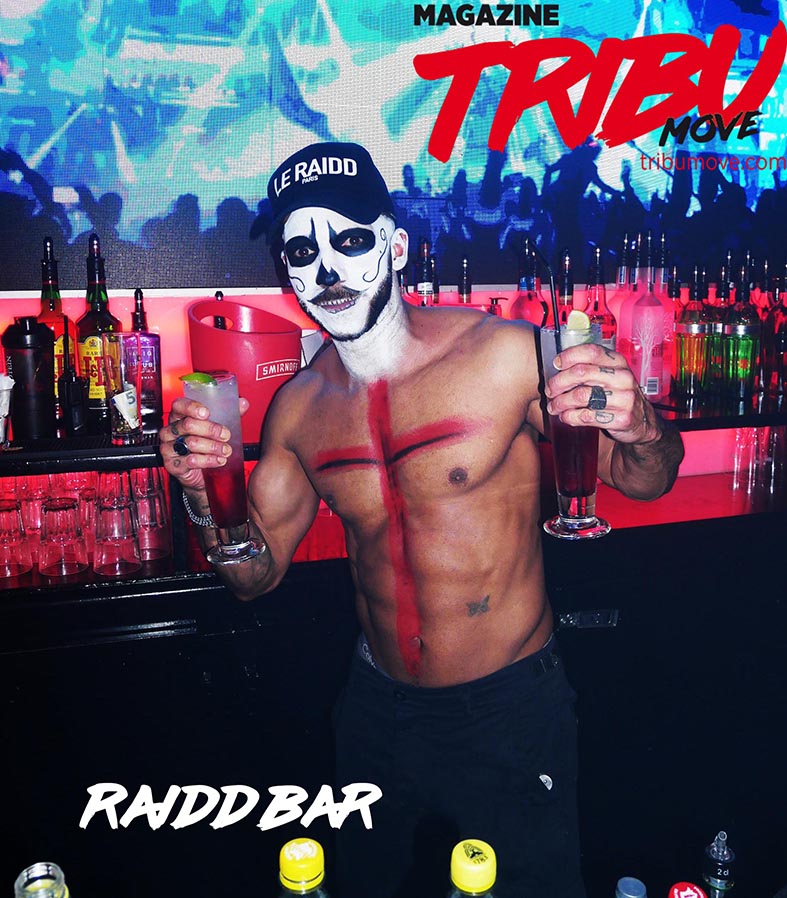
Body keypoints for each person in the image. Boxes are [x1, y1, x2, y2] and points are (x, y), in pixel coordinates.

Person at [160, 141, 685, 898]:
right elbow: (252, 575)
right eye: (302, 251)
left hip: (508, 708)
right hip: (376, 713)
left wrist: (640, 426)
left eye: (349, 240)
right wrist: (198, 494)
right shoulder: (298, 409)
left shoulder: (507, 356)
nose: (327, 270)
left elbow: (646, 481)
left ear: (396, 247)